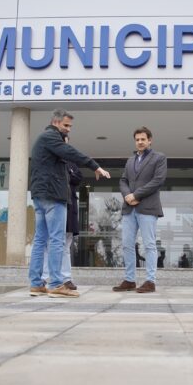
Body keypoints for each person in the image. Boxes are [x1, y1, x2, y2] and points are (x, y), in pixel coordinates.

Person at [29, 108, 110, 298]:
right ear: (56, 122)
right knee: (56, 240)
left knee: (41, 240)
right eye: (66, 125)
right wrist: (94, 165)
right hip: (52, 196)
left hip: (41, 196)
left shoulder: (45, 140)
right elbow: (70, 151)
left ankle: (36, 284)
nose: (69, 130)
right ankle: (57, 284)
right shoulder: (50, 137)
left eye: (70, 126)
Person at [112, 126, 167, 293]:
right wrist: (128, 195)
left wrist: (136, 195)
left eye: (143, 139)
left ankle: (150, 281)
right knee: (127, 244)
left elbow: (158, 180)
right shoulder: (130, 161)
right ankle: (129, 280)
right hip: (129, 208)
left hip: (148, 207)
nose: (140, 142)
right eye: (137, 139)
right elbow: (123, 180)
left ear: (150, 140)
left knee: (149, 245)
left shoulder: (159, 158)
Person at [42, 161, 83, 290]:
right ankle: (44, 278)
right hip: (52, 207)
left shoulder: (71, 164)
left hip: (69, 209)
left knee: (65, 247)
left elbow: (78, 178)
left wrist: (67, 173)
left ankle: (66, 279)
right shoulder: (48, 162)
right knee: (49, 245)